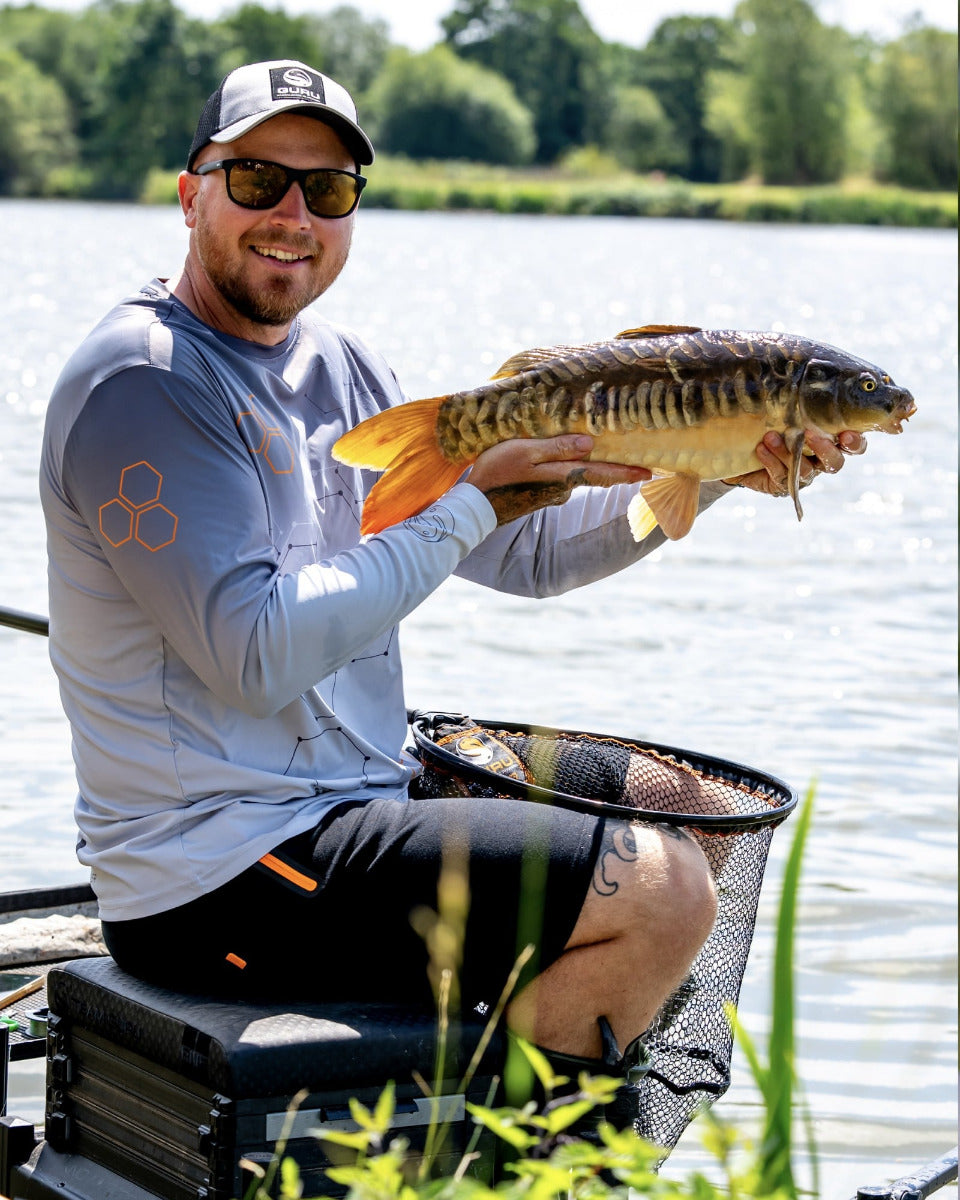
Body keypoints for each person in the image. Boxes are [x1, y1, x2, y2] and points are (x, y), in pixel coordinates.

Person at [39, 60, 865, 1098]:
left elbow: (533, 555)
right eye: (257, 180)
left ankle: (492, 1120)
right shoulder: (144, 382)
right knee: (659, 895)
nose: (294, 214)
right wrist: (473, 501)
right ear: (190, 192)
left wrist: (711, 468)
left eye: (329, 189)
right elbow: (253, 657)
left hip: (350, 804)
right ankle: (508, 1161)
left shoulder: (340, 368)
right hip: (219, 882)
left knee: (687, 806)